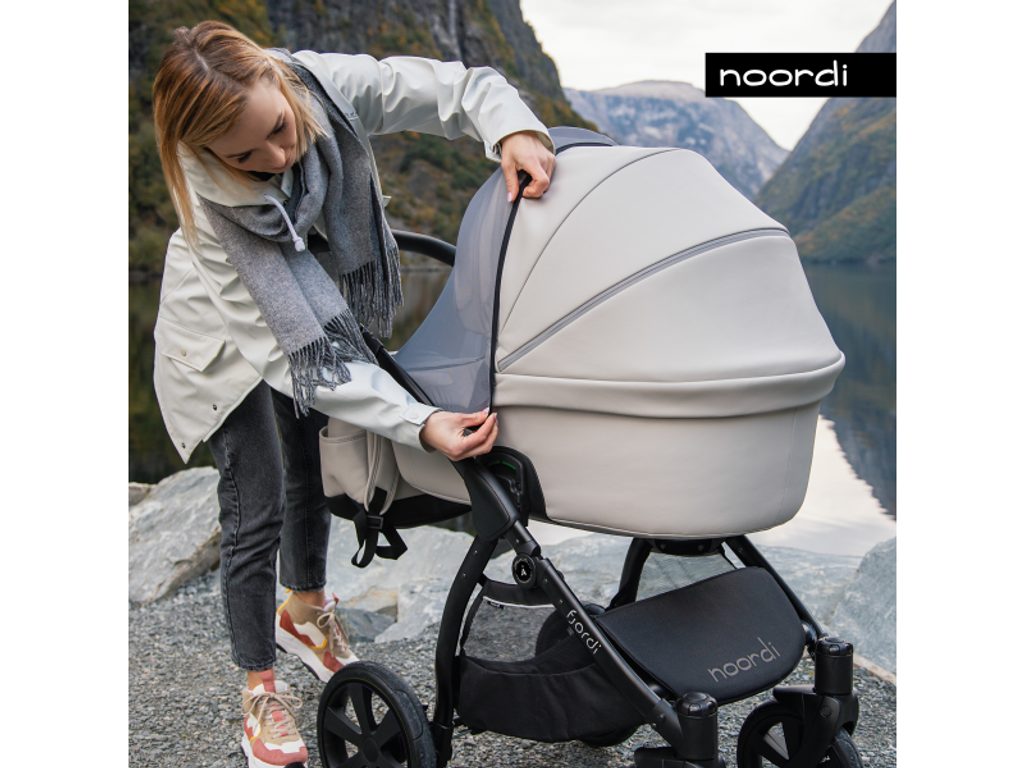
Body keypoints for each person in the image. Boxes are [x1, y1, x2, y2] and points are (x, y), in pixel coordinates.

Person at [149, 20, 555, 768]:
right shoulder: (212, 212)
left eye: (278, 130)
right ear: (207, 153)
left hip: (311, 308)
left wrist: (513, 129)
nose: (277, 158)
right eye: (245, 157)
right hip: (222, 339)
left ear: (280, 83)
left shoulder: (325, 87)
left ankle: (305, 611)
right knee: (255, 502)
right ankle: (259, 687)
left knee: (309, 464)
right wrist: (419, 423)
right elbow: (288, 358)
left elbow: (453, 87)